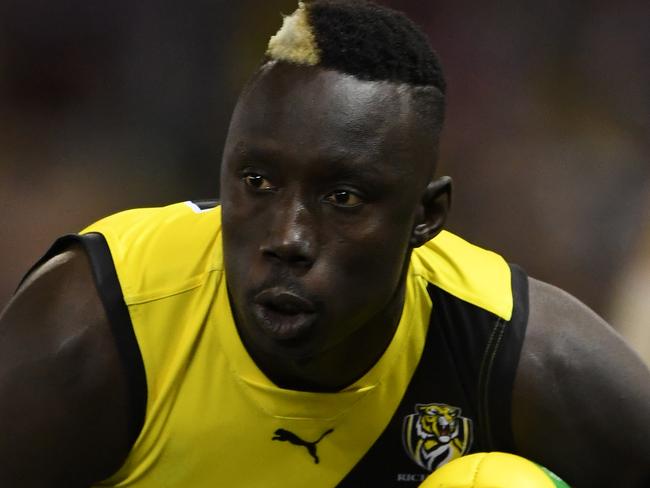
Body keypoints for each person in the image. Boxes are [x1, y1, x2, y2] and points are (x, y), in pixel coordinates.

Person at [0, 1, 648, 487]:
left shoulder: (510, 351)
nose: (287, 238)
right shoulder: (98, 326)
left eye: (343, 199)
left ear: (427, 216)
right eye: (256, 182)